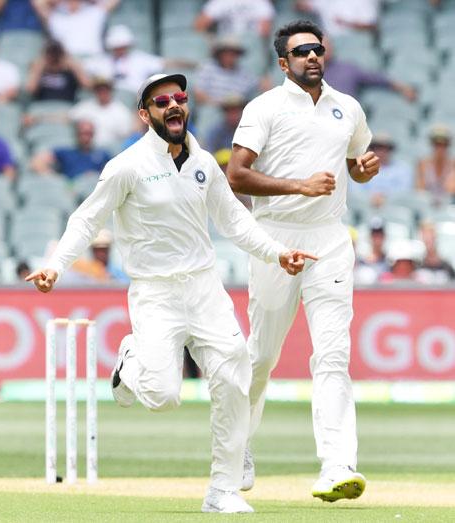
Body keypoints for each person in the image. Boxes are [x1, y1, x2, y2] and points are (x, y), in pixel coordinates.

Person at [26, 72, 315, 513]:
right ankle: (130, 360)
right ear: (145, 114)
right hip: (155, 293)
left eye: (179, 97)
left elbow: (234, 221)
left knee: (235, 373)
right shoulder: (127, 165)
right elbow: (87, 219)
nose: (173, 105)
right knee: (163, 397)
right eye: (161, 101)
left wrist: (278, 253)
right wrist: (55, 267)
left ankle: (222, 489)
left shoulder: (203, 163)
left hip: (204, 288)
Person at [228, 20, 380, 502]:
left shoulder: (347, 108)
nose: (312, 57)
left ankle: (337, 465)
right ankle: (237, 449)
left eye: (317, 49)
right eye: (301, 52)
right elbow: (235, 175)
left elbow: (356, 164)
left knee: (332, 355)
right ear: (282, 63)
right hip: (276, 239)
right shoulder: (264, 108)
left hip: (330, 239)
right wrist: (298, 186)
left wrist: (364, 170)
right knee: (261, 356)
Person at [322, 37, 416, 102]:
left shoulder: (347, 68)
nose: (327, 49)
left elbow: (376, 78)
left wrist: (403, 88)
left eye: (329, 45)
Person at [30, 120, 111, 179]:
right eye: (82, 133)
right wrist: (55, 178)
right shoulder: (66, 152)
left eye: (89, 134)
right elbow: (37, 162)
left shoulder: (103, 154)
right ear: (76, 134)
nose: (86, 137)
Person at [69, 75, 134, 149]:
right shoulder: (85, 106)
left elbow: (126, 134)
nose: (102, 92)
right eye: (99, 89)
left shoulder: (121, 111)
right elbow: (68, 117)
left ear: (110, 90)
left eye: (105, 89)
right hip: (87, 149)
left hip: (110, 150)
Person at [349, 133, 413, 207]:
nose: (381, 151)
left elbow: (404, 191)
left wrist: (385, 197)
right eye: (376, 147)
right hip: (366, 206)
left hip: (394, 207)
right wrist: (371, 198)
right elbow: (355, 191)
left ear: (390, 150)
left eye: (385, 148)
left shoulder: (403, 168)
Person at [194, 36, 261, 106]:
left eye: (233, 53)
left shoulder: (245, 73)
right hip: (212, 108)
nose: (229, 56)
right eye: (226, 53)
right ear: (220, 53)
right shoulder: (207, 67)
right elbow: (198, 94)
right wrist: (217, 104)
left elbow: (259, 86)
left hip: (236, 110)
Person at [25, 39, 90, 102]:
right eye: (50, 53)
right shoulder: (40, 70)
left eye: (56, 53)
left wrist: (74, 65)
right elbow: (30, 90)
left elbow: (87, 85)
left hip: (66, 106)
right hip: (43, 107)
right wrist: (39, 67)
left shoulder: (71, 70)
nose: (54, 57)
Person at [416, 124, 455, 206]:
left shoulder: (453, 164)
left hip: (448, 205)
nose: (440, 148)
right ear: (432, 144)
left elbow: (451, 190)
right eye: (436, 144)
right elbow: (420, 190)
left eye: (444, 144)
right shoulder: (423, 164)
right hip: (427, 205)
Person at [194, 0, 275, 39]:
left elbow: (265, 30)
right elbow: (199, 26)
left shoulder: (261, 2)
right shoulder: (219, 2)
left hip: (251, 43)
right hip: (225, 42)